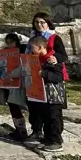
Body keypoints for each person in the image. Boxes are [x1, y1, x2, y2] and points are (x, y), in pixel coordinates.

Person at [26, 12, 69, 141]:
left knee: (53, 110)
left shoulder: (54, 38)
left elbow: (63, 55)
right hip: (34, 75)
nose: (39, 25)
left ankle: (55, 136)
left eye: (42, 22)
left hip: (50, 73)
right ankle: (37, 130)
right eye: (36, 22)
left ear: (48, 23)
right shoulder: (32, 38)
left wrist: (55, 59)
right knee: (35, 106)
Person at [29, 35, 65, 153]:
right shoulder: (36, 59)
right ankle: (48, 138)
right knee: (46, 118)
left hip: (54, 95)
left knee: (54, 118)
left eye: (32, 47)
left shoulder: (52, 59)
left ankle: (56, 141)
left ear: (39, 47)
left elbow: (59, 77)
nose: (31, 50)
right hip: (43, 95)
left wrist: (44, 74)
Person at [0, 33, 28, 141]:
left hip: (18, 84)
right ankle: (19, 129)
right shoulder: (5, 52)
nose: (9, 44)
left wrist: (11, 73)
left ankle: (23, 131)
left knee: (18, 106)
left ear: (16, 41)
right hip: (7, 84)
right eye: (7, 42)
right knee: (12, 107)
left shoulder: (22, 51)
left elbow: (23, 67)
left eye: (11, 42)